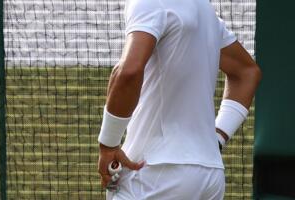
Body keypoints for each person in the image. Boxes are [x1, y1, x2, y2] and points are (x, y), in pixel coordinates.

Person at [96, 0, 262, 199]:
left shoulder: (147, 3)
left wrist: (108, 144)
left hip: (155, 174)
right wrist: (217, 138)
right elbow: (246, 72)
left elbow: (129, 72)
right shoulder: (204, 10)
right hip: (208, 176)